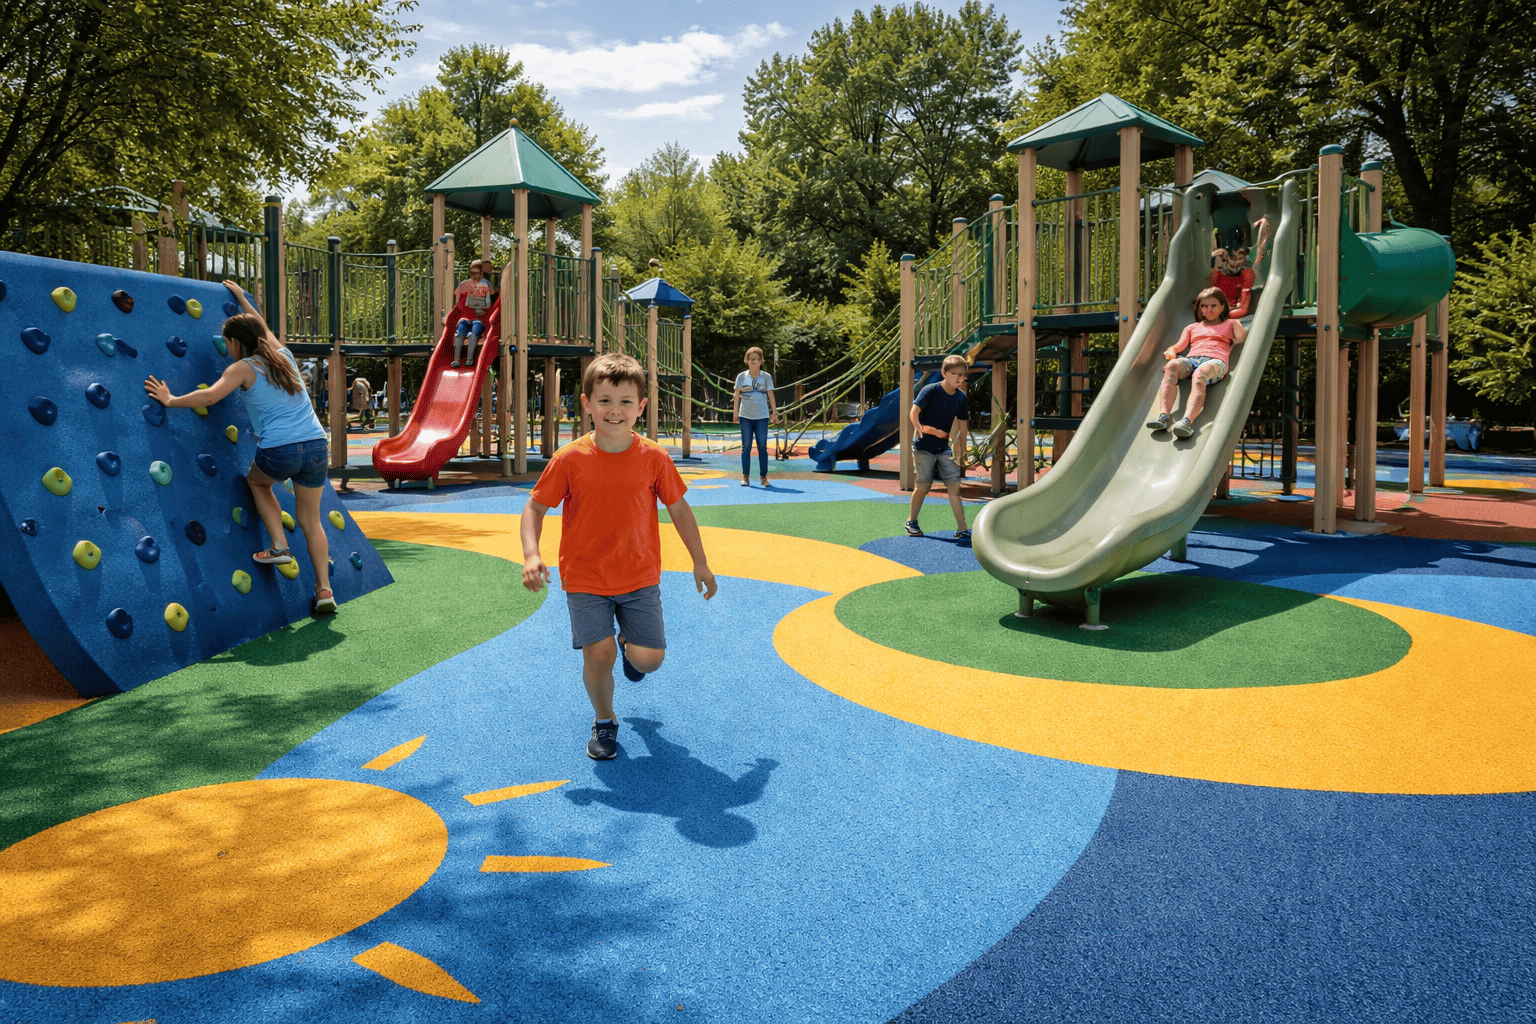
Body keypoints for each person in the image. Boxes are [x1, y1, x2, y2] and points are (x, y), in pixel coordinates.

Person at [519, 352, 718, 760]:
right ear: (587, 404)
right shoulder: (570, 459)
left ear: (641, 407)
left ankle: (632, 644)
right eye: (605, 400)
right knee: (600, 653)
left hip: (638, 575)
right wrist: (531, 554)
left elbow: (679, 509)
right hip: (586, 577)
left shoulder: (654, 458)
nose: (615, 410)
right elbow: (535, 508)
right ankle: (605, 721)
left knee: (648, 661)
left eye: (626, 401)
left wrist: (700, 560)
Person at [144, 281, 336, 615]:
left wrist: (171, 399)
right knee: (311, 520)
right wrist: (242, 299)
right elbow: (263, 328)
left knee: (258, 482)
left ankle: (279, 545)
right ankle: (324, 591)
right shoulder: (284, 356)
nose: (226, 347)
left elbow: (210, 396)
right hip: (317, 445)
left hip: (282, 449)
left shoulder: (242, 367)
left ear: (236, 342)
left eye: (227, 342)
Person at [1148, 286, 1249, 439]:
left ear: (1222, 306)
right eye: (1204, 306)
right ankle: (1163, 416)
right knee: (1172, 367)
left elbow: (1244, 338)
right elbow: (1178, 346)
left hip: (1216, 361)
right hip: (1192, 360)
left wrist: (1237, 324)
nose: (1208, 310)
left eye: (1213, 305)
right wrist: (1172, 353)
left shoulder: (1231, 324)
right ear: (1199, 308)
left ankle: (1187, 422)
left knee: (1200, 374)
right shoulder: (1192, 327)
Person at [905, 354, 970, 540]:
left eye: (962, 375)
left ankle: (962, 528)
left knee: (954, 486)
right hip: (923, 446)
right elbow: (914, 411)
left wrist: (962, 448)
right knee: (924, 486)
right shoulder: (930, 390)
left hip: (943, 448)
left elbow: (963, 425)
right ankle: (911, 521)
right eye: (954, 374)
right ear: (944, 373)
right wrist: (918, 428)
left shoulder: (961, 398)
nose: (959, 378)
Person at [732, 346, 777, 486]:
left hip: (762, 416)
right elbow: (737, 395)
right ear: (747, 361)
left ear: (761, 361)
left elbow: (770, 395)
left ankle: (763, 477)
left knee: (762, 445)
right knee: (746, 446)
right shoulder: (742, 376)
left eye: (757, 360)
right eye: (752, 360)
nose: (754, 362)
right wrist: (735, 413)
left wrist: (774, 412)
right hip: (745, 415)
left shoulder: (766, 377)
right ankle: (745, 476)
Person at [452, 261, 493, 366]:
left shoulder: (485, 285)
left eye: (476, 273)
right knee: (459, 333)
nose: (474, 276)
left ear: (481, 273)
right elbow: (457, 300)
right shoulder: (464, 284)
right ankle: (456, 360)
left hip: (478, 320)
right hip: (465, 318)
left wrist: (482, 309)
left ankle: (469, 359)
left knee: (472, 334)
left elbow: (490, 301)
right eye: (472, 273)